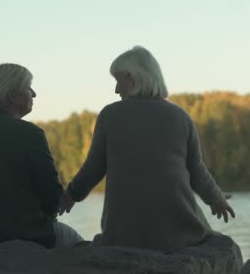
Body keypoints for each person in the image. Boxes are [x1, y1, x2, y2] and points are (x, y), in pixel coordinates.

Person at [58, 46, 235, 253]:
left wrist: (71, 194)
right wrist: (216, 198)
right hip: (181, 234)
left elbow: (94, 168)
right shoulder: (180, 117)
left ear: (133, 78)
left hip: (123, 236)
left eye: (118, 80)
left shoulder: (110, 115)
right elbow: (196, 170)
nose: (116, 90)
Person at [0, 63, 83, 255]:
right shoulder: (30, 133)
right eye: (28, 88)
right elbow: (51, 196)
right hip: (22, 236)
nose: (34, 94)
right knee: (78, 244)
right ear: (12, 95)